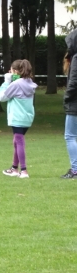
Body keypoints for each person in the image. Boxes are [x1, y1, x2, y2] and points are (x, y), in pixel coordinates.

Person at [0, 59, 37, 179]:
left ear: (15, 71)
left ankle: (24, 170)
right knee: (17, 141)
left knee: (19, 142)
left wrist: (6, 82)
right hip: (27, 118)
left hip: (17, 117)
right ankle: (14, 168)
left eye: (11, 70)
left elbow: (2, 97)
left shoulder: (16, 84)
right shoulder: (29, 82)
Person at [61, 29, 77, 179]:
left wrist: (67, 97)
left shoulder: (76, 58)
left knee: (70, 136)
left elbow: (74, 82)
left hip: (74, 104)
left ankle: (75, 169)